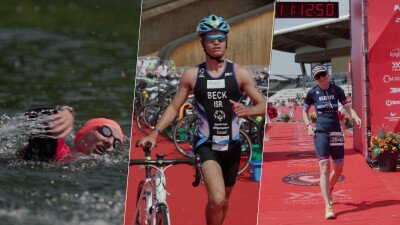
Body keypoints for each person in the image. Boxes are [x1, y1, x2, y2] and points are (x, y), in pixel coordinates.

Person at [138, 14, 266, 225]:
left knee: (224, 202)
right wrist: (154, 132)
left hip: (233, 146)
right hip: (206, 145)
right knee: (216, 198)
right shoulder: (192, 75)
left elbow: (262, 105)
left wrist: (248, 110)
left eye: (220, 38)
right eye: (210, 38)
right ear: (202, 43)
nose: (216, 42)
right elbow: (173, 107)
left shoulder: (240, 73)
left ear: (226, 41)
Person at [302, 65, 361, 219]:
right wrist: (308, 126)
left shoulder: (337, 90)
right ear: (315, 79)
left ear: (328, 74)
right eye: (318, 76)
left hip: (336, 131)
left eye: (324, 74)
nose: (322, 78)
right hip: (320, 131)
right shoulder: (312, 92)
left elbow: (348, 107)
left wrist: (354, 116)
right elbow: (304, 110)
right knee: (324, 166)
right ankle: (328, 206)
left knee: (339, 168)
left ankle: (330, 187)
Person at [18, 106, 124, 161]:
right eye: (106, 131)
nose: (110, 142)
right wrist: (63, 112)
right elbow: (31, 115)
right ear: (87, 131)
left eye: (116, 143)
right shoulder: (58, 149)